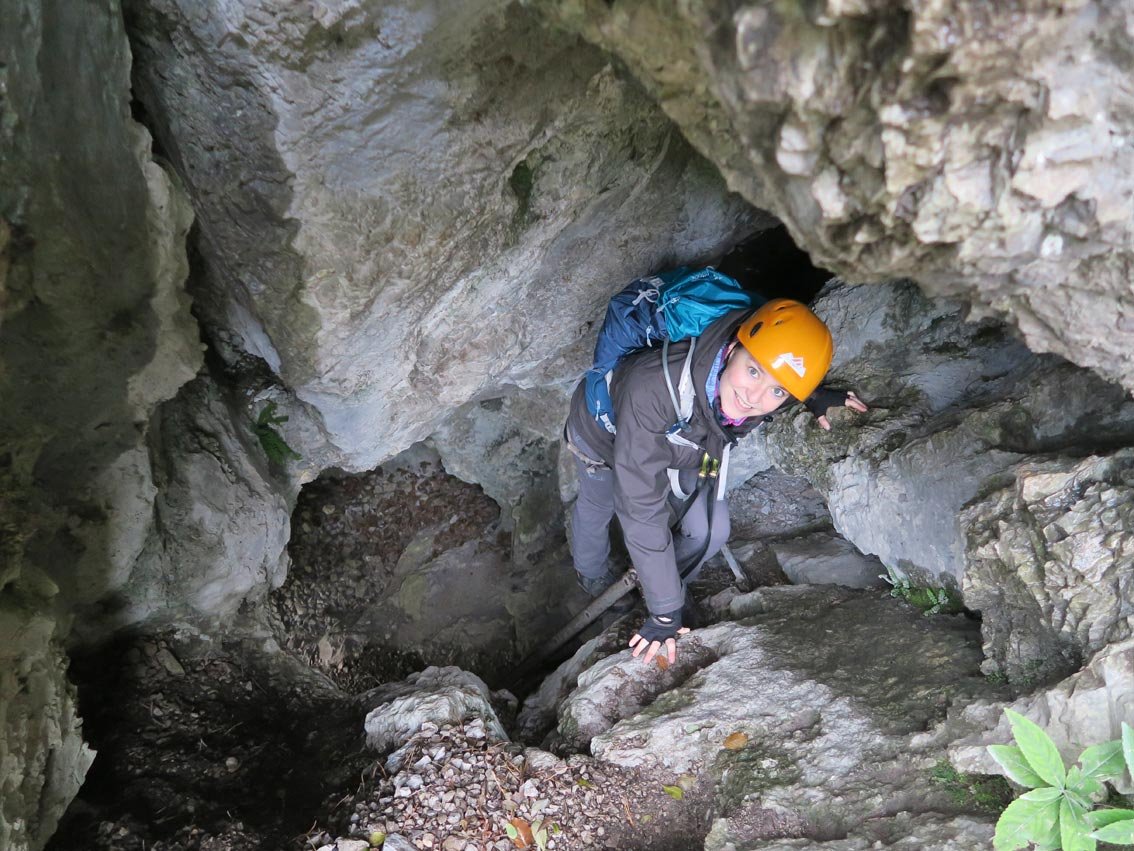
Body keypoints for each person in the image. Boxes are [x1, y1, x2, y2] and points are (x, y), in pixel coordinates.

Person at [563, 297, 867, 665]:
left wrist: (813, 395)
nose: (754, 397)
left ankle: (658, 581)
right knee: (599, 503)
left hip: (688, 439)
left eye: (778, 391)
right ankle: (593, 575)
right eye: (753, 372)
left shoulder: (746, 366)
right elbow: (640, 508)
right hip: (601, 436)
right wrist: (665, 614)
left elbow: (775, 371)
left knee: (711, 528)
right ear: (733, 348)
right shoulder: (654, 386)